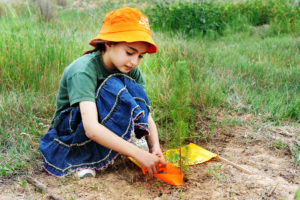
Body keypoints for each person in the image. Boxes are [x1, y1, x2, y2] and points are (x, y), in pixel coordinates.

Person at [39, 7, 166, 178]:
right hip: (74, 125)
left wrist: (154, 147)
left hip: (102, 119)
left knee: (128, 85)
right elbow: (90, 128)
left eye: (141, 56)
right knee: (112, 83)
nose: (134, 61)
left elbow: (144, 111)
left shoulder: (130, 69)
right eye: (130, 52)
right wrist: (136, 153)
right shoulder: (83, 70)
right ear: (108, 43)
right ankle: (82, 155)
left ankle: (121, 143)